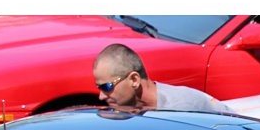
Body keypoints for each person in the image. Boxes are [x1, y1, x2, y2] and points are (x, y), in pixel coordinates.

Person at [93, 43, 228, 114]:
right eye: (99, 88)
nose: (101, 97)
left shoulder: (180, 110)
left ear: (134, 80)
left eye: (107, 87)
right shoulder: (134, 109)